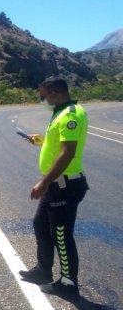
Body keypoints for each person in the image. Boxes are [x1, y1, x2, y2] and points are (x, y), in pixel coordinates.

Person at [19, 77, 89, 297]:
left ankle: (69, 283)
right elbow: (57, 144)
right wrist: (40, 141)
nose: (41, 100)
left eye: (42, 96)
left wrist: (44, 181)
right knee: (41, 225)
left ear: (55, 93)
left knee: (61, 233)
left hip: (65, 185)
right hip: (57, 184)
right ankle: (43, 270)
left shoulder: (71, 115)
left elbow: (67, 152)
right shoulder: (59, 112)